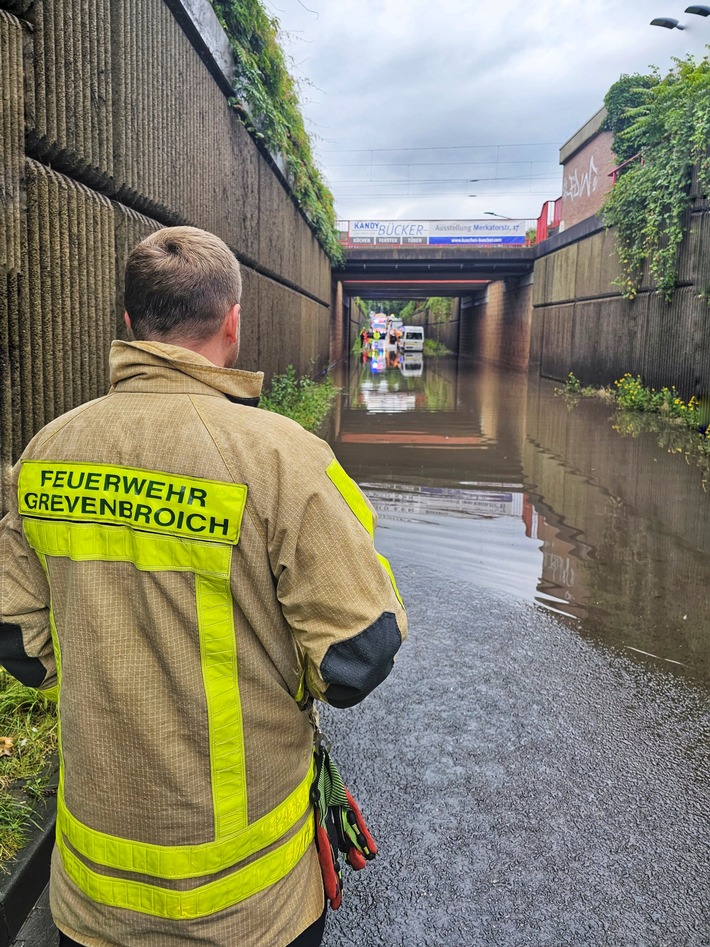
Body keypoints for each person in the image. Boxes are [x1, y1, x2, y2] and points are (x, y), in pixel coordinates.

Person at [0, 226, 407, 947]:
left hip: (94, 899)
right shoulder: (282, 458)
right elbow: (358, 653)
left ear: (130, 323)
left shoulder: (45, 453)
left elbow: (19, 643)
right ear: (233, 322)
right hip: (256, 905)